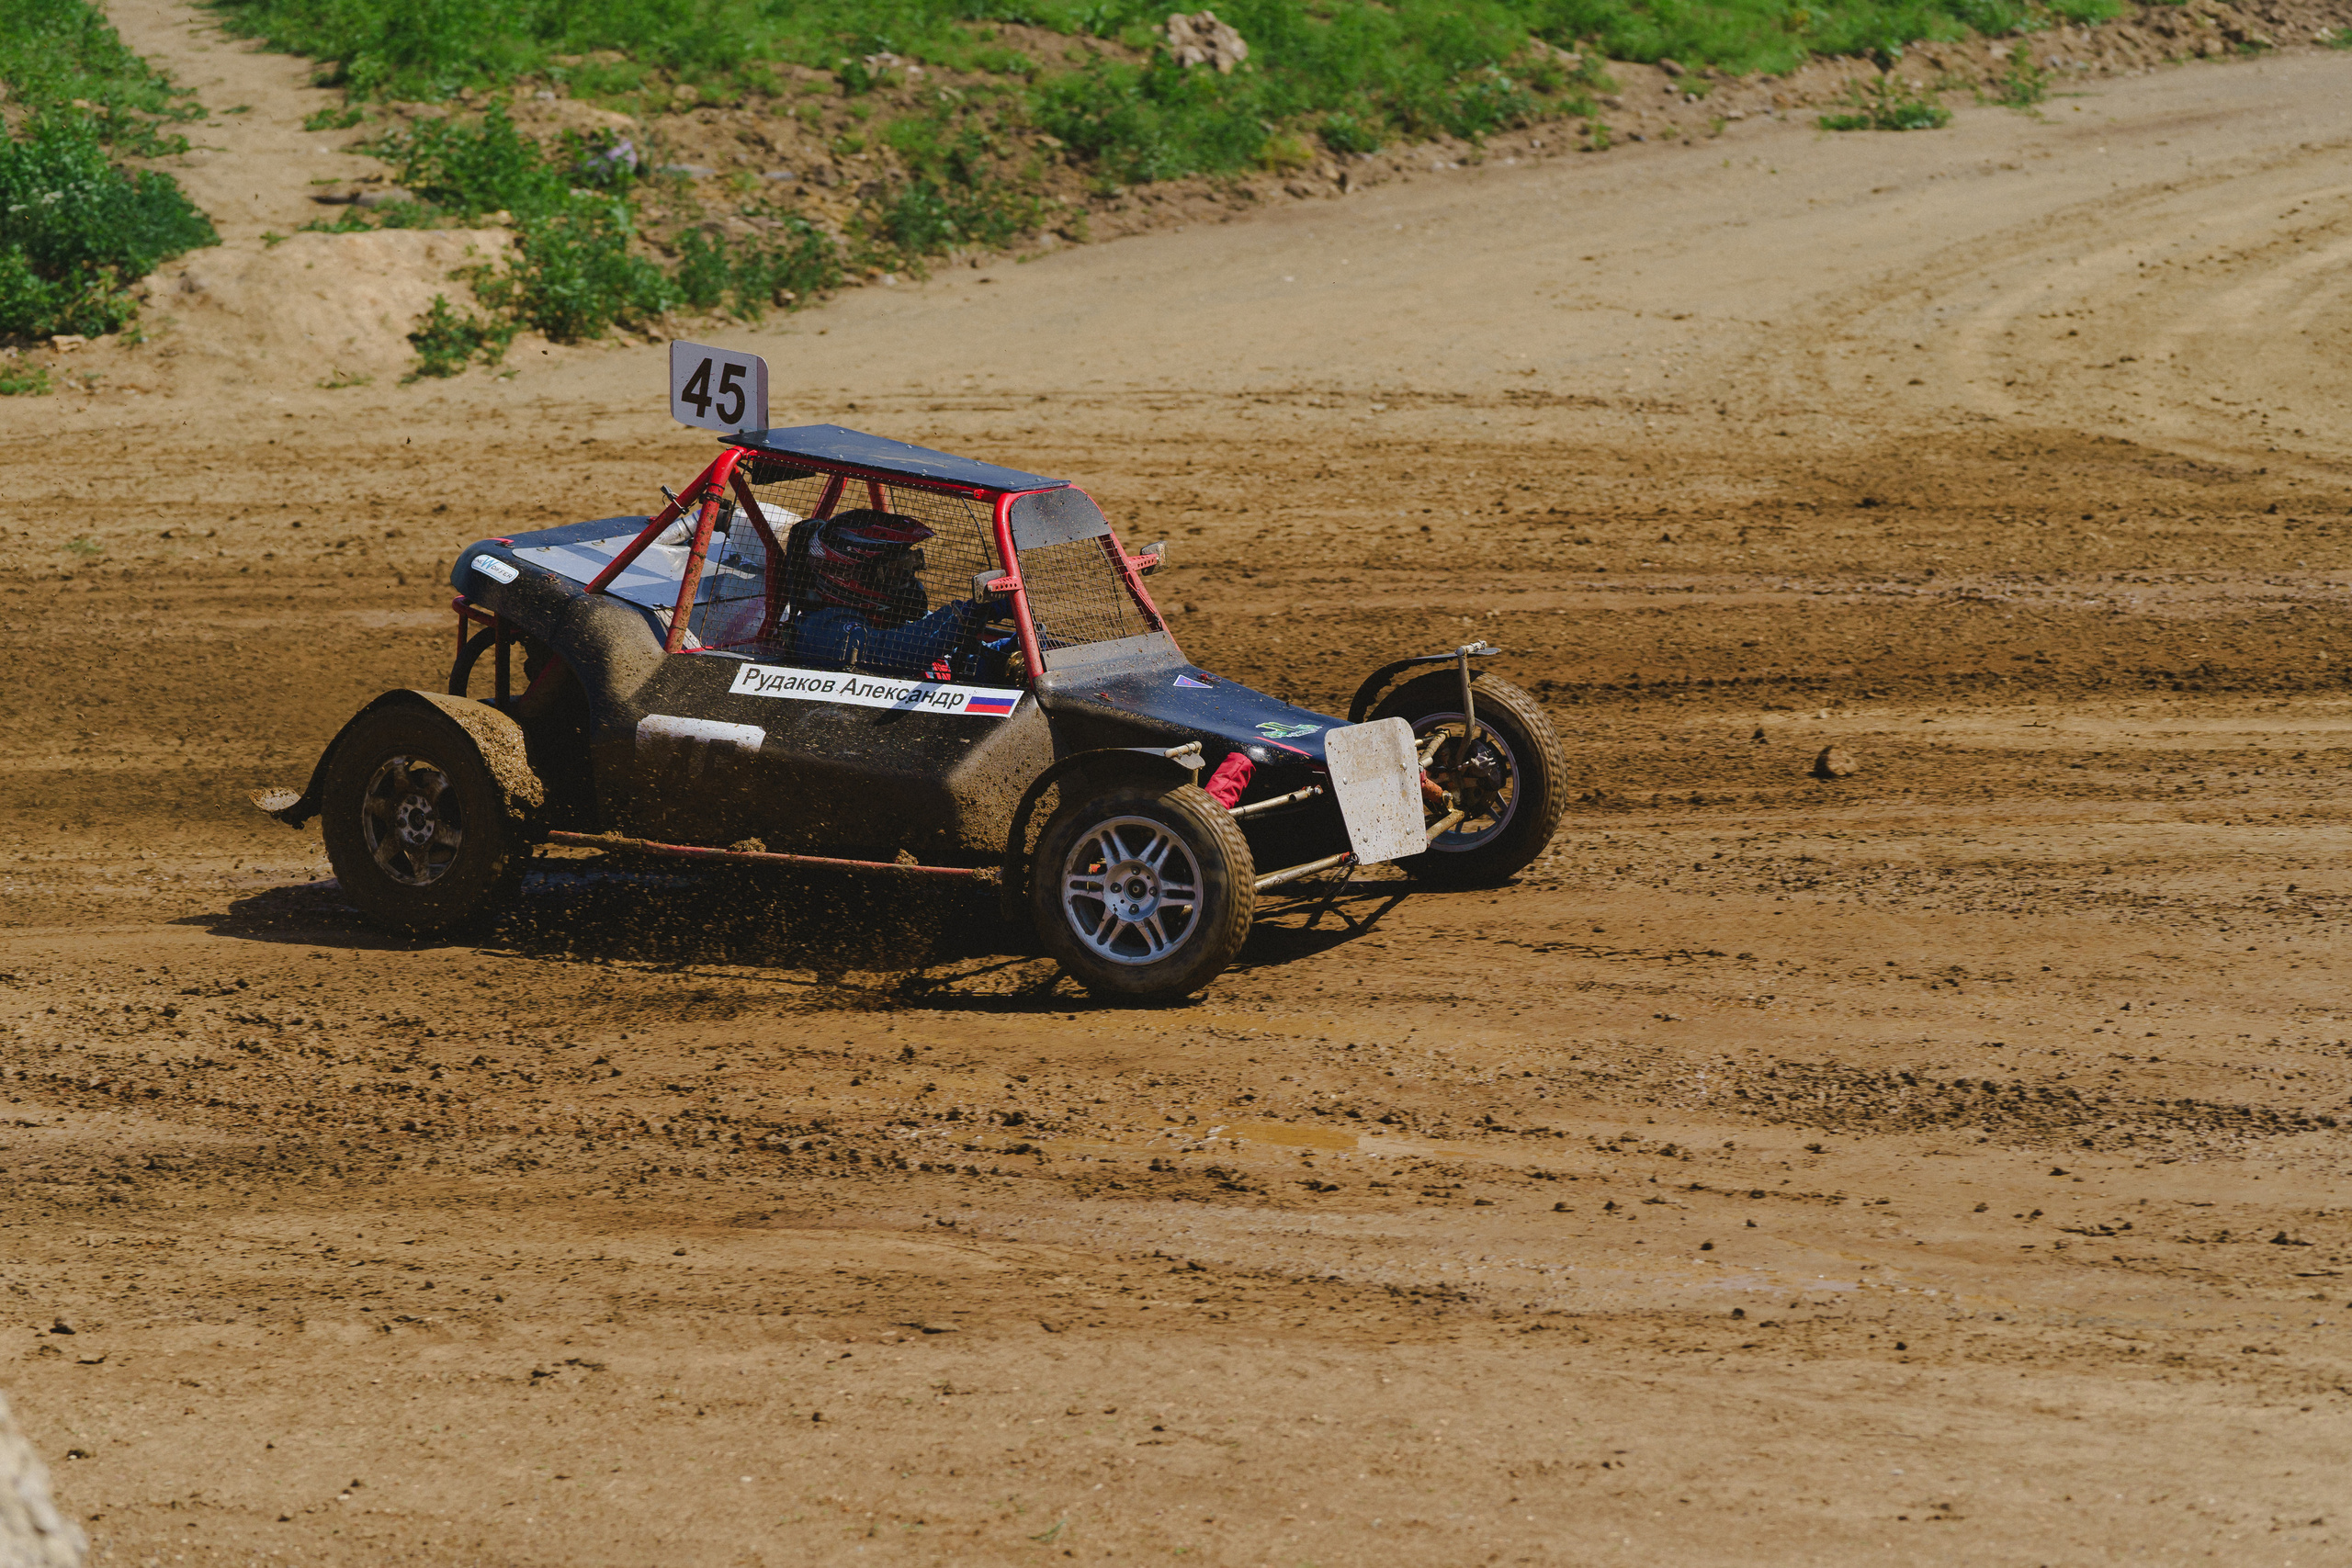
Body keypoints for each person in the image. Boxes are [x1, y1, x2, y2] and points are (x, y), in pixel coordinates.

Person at [791, 510, 988, 680]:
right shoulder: (824, 628)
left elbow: (971, 658)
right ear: (847, 575)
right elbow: (890, 652)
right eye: (894, 572)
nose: (910, 581)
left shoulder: (894, 619)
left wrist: (1012, 649)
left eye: (909, 567)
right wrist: (966, 615)